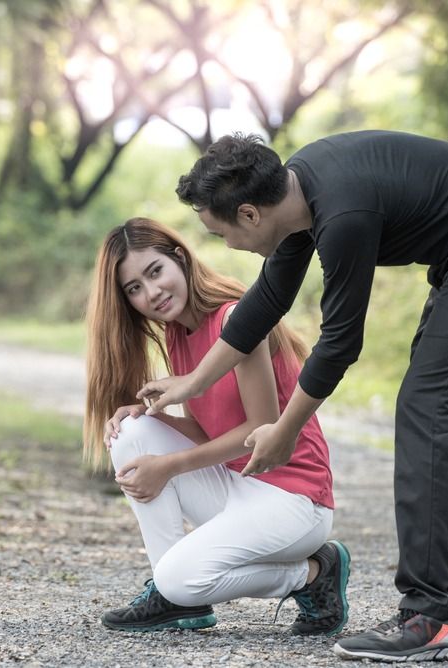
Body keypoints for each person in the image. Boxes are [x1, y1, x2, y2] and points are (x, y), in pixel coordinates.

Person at [137, 131, 448, 661]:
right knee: (438, 421)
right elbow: (267, 300)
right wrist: (193, 382)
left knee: (427, 415)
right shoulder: (297, 193)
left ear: (249, 215)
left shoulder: (342, 217)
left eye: (219, 232)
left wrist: (284, 430)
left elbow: (339, 343)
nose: (226, 247)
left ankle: (433, 615)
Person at [83, 217, 349, 635]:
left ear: (180, 258)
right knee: (129, 432)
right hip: (239, 485)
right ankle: (176, 601)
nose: (151, 292)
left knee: (180, 577)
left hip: (293, 501)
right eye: (134, 288)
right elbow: (211, 434)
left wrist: (169, 466)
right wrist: (150, 418)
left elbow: (260, 427)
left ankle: (314, 573)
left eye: (155, 272)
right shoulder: (177, 333)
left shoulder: (236, 319)